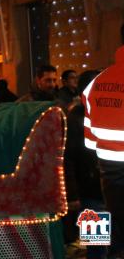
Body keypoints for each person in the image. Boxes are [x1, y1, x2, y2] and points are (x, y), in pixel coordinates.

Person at [82, 25, 124, 257]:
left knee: (112, 233)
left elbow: (89, 142)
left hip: (106, 174)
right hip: (97, 183)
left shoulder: (96, 83)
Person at [63, 70, 106, 259]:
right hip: (90, 192)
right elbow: (68, 158)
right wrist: (72, 194)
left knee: (111, 246)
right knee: (97, 246)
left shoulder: (109, 113)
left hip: (109, 187)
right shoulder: (75, 118)